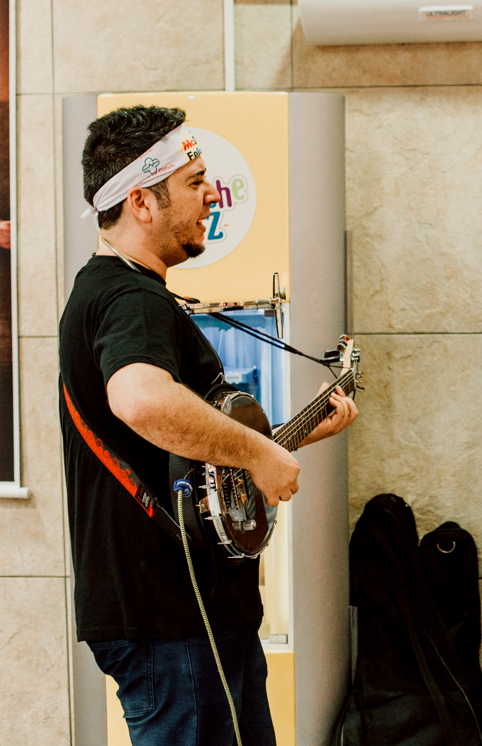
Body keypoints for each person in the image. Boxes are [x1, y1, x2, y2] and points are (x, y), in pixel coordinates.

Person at [59, 105, 358, 744]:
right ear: (141, 200)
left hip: (189, 611)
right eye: (194, 182)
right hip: (168, 614)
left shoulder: (125, 290)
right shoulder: (129, 296)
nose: (210, 196)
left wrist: (289, 438)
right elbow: (139, 401)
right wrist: (258, 450)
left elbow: (193, 461)